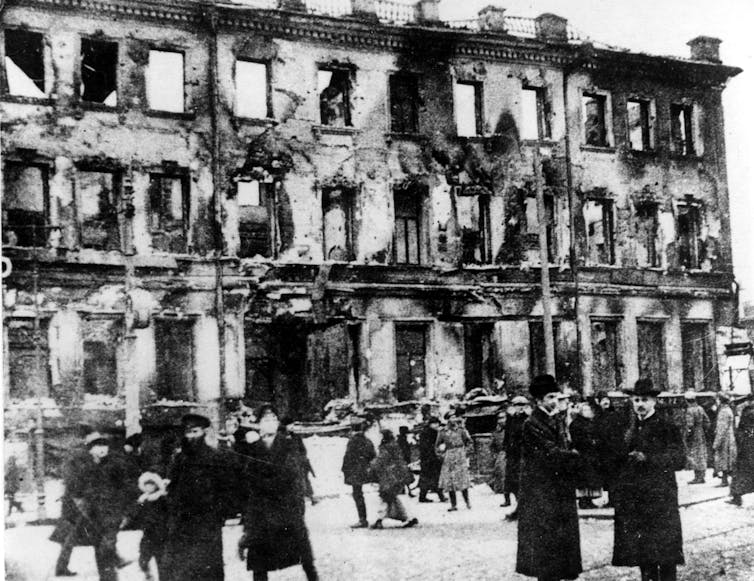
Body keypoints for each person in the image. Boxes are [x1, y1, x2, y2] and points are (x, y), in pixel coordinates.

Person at [612, 378, 686, 581]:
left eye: (644, 400)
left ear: (654, 401)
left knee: (666, 552)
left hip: (661, 498)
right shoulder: (631, 427)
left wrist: (648, 459)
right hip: (638, 499)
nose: (640, 404)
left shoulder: (666, 425)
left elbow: (679, 458)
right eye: (636, 400)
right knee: (644, 552)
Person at [238, 404, 319, 581]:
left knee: (306, 560)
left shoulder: (289, 445)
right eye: (266, 419)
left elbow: (291, 474)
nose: (271, 422)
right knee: (259, 565)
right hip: (262, 514)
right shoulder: (253, 449)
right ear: (258, 424)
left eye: (274, 419)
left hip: (287, 510)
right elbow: (248, 480)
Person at [516, 375, 582, 581]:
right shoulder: (532, 423)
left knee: (560, 546)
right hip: (541, 493)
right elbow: (549, 454)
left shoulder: (556, 419)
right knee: (546, 548)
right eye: (550, 397)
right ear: (538, 400)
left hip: (558, 489)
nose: (555, 401)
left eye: (556, 396)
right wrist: (576, 456)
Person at [163, 413, 237, 581]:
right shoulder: (179, 459)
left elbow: (227, 489)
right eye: (188, 432)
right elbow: (172, 488)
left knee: (209, 568)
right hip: (183, 524)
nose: (191, 437)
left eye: (195, 431)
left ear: (204, 431)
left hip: (207, 523)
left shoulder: (215, 457)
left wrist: (219, 514)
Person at [51, 433, 128, 581]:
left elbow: (122, 488)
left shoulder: (111, 464)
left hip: (103, 513)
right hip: (82, 510)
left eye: (104, 445)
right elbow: (74, 486)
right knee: (75, 540)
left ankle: (112, 566)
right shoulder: (82, 463)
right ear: (89, 446)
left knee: (99, 545)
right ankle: (62, 567)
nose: (102, 448)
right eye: (97, 444)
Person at [50, 428, 104, 577]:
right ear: (87, 437)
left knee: (72, 536)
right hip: (78, 501)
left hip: (75, 500)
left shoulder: (77, 452)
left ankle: (61, 567)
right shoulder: (81, 454)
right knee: (85, 534)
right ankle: (112, 562)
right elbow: (75, 477)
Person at [368, 429, 418, 529]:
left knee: (385, 497)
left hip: (389, 476)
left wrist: (371, 465)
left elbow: (381, 460)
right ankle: (408, 517)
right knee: (392, 498)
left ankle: (379, 519)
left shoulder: (387, 447)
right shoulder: (393, 445)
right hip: (394, 475)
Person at [593, 391, 628, 507]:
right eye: (603, 400)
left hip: (616, 449)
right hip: (604, 451)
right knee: (607, 476)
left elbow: (621, 430)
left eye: (607, 399)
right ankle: (611, 499)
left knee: (617, 475)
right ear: (598, 402)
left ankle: (618, 499)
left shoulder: (615, 414)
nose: (606, 402)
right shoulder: (597, 417)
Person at [341, 416, 377, 528]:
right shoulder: (367, 441)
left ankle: (362, 519)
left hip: (354, 471)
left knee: (357, 494)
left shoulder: (352, 442)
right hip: (365, 469)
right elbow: (373, 455)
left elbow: (348, 457)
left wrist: (344, 469)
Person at [134, 472, 168, 581]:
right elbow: (137, 514)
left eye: (152, 484)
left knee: (161, 560)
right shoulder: (143, 500)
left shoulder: (161, 498)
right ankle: (148, 575)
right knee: (143, 557)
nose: (149, 487)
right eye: (147, 484)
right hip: (148, 532)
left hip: (160, 532)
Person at [569, 400, 603, 510]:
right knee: (583, 478)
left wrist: (596, 442)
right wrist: (588, 442)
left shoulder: (591, 422)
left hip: (592, 454)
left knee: (591, 478)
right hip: (582, 454)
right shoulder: (576, 423)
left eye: (588, 409)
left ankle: (589, 499)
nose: (587, 411)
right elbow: (576, 439)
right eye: (584, 410)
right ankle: (583, 500)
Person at [435, 412, 472, 511]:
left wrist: (466, 453)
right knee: (450, 482)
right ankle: (453, 504)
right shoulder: (443, 431)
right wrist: (442, 456)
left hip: (460, 456)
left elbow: (469, 442)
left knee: (463, 480)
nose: (453, 419)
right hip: (449, 457)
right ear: (447, 419)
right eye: (451, 417)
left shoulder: (461, 430)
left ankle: (467, 501)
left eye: (455, 417)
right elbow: (437, 446)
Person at [280, 416, 317, 505]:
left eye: (292, 424)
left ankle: (311, 497)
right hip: (287, 464)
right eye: (290, 425)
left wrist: (302, 458)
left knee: (304, 480)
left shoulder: (296, 436)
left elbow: (303, 449)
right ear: (284, 425)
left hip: (299, 462)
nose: (292, 426)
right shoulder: (280, 437)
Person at [503, 395, 528, 520]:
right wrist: (506, 450)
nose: (520, 408)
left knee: (521, 481)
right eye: (517, 405)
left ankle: (522, 508)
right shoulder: (511, 419)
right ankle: (519, 506)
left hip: (522, 454)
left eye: (522, 405)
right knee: (512, 482)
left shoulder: (527, 420)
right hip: (512, 455)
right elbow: (507, 436)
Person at [728, 394, 754, 506]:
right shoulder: (748, 411)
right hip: (748, 446)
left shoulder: (748, 412)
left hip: (747, 447)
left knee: (740, 472)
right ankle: (736, 496)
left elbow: (741, 430)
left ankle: (736, 497)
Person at [684, 391, 711, 484]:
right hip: (701, 432)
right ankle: (702, 476)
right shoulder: (700, 408)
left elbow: (690, 425)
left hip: (694, 434)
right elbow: (707, 421)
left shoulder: (689, 410)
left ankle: (697, 477)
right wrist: (704, 430)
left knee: (695, 454)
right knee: (702, 454)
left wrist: (688, 435)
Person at [417, 416, 445, 503]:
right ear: (430, 424)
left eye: (437, 423)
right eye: (435, 423)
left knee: (426, 478)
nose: (437, 425)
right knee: (435, 477)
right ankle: (440, 496)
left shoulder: (426, 432)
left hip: (427, 459)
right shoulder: (430, 433)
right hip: (431, 459)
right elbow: (428, 447)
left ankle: (422, 496)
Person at [713, 392, 737, 487]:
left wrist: (716, 443)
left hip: (724, 440)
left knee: (724, 460)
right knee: (728, 459)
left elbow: (721, 429)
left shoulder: (723, 412)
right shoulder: (728, 410)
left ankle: (724, 481)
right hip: (729, 437)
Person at [487, 411, 509, 505]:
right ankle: (507, 499)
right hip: (502, 454)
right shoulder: (496, 433)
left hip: (514, 454)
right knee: (502, 475)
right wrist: (495, 455)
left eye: (503, 418)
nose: (501, 420)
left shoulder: (513, 429)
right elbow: (491, 446)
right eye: (499, 418)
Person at [397, 425, 415, 497]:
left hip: (403, 460)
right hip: (404, 460)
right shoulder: (402, 440)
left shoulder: (400, 439)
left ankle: (403, 490)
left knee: (404, 475)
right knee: (406, 475)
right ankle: (408, 491)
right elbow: (404, 451)